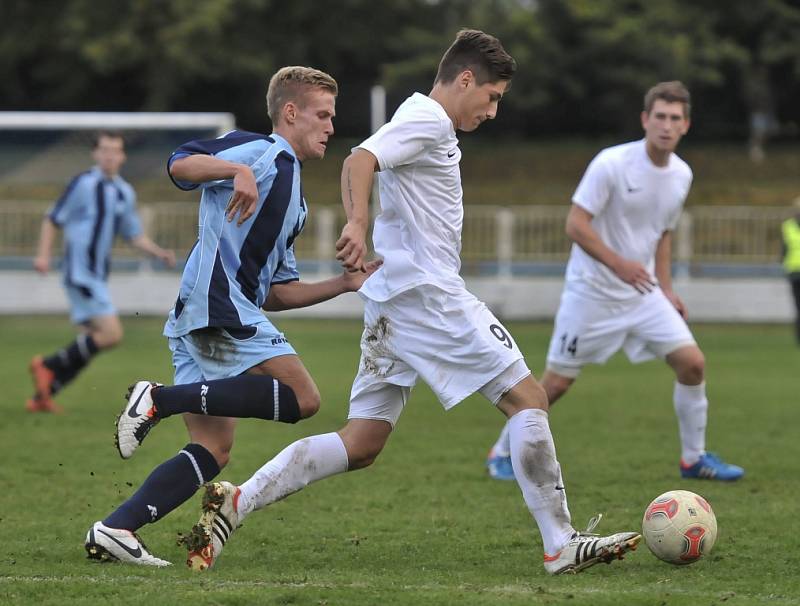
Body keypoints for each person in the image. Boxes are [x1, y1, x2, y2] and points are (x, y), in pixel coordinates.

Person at [180, 30, 641, 577]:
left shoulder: (427, 121)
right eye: (492, 97)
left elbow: (367, 159)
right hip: (427, 296)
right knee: (529, 398)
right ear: (465, 79)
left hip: (393, 302)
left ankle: (239, 503)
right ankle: (560, 542)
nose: (493, 111)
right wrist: (356, 222)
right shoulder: (428, 118)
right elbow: (359, 158)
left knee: (363, 441)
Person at [84, 66, 381, 567]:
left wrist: (345, 284)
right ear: (291, 113)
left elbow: (278, 292)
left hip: (209, 310)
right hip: (217, 305)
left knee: (213, 448)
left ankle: (116, 529)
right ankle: (158, 398)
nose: (331, 126)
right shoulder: (260, 152)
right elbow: (180, 164)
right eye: (322, 115)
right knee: (304, 398)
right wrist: (234, 170)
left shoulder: (296, 199)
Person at [486, 81, 744, 483]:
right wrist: (620, 264)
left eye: (675, 118)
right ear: (645, 119)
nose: (666, 125)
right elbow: (575, 224)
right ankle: (501, 452)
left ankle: (693, 459)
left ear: (686, 125)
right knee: (553, 385)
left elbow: (662, 233)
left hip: (643, 295)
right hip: (591, 294)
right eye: (659, 116)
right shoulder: (611, 164)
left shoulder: (681, 175)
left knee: (692, 364)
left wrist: (667, 288)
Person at [27, 131, 176, 413]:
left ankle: (43, 396)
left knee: (89, 342)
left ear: (122, 156)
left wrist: (159, 252)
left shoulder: (123, 191)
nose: (109, 156)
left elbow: (134, 236)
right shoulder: (84, 184)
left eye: (115, 150)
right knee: (111, 334)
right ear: (95, 154)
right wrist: (43, 255)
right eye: (104, 150)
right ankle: (47, 366)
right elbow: (52, 218)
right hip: (78, 271)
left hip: (96, 275)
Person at [780, 197, 800, 344]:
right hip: (794, 272)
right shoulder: (787, 226)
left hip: (793, 271)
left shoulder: (788, 226)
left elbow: (783, 250)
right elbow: (784, 249)